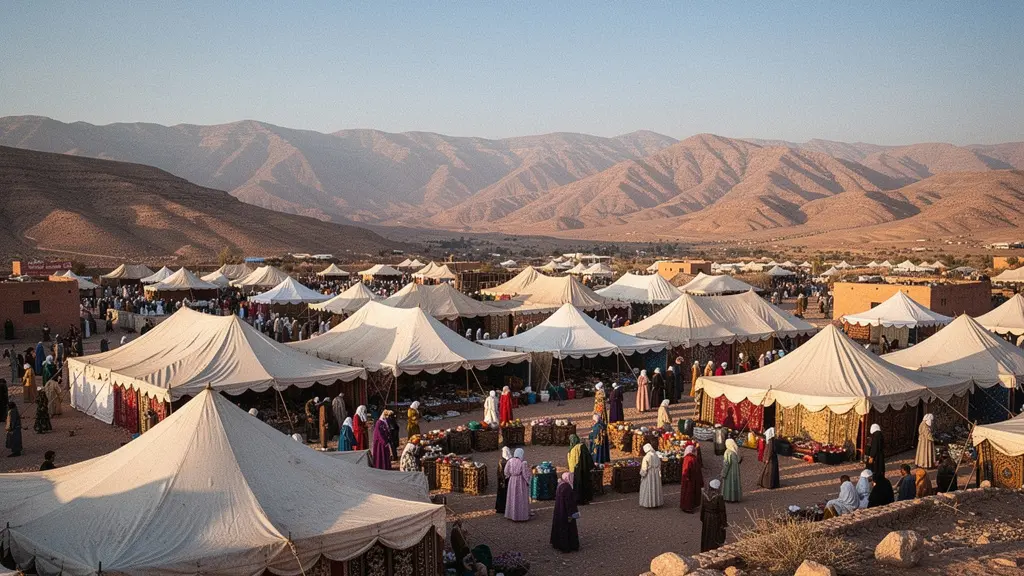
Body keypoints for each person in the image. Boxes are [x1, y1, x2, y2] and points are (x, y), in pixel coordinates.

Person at [550, 472, 580, 552]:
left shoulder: (561, 485)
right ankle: (568, 546)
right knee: (568, 529)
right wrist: (573, 514)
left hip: (559, 511)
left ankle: (558, 544)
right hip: (567, 513)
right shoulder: (567, 488)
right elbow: (570, 503)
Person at [504, 448, 531, 521]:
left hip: (512, 480)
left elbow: (506, 471)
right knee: (520, 497)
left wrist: (509, 476)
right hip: (520, 481)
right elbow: (525, 474)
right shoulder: (523, 462)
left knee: (512, 497)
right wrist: (528, 481)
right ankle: (521, 515)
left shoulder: (510, 461)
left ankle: (511, 514)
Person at [700, 479, 728, 552]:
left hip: (706, 517)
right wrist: (724, 523)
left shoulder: (704, 494)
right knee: (715, 535)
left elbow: (702, 508)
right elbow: (722, 511)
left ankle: (705, 549)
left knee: (706, 535)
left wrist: (702, 518)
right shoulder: (719, 497)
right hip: (716, 518)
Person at [567, 434, 593, 505]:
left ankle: (578, 499)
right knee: (584, 483)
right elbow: (587, 458)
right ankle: (585, 498)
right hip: (583, 469)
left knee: (577, 485)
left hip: (575, 470)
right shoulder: (581, 446)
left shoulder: (571, 449)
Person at [639, 443, 663, 508]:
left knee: (648, 487)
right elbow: (659, 466)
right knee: (655, 487)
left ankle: (648, 503)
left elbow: (644, 469)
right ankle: (656, 502)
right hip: (656, 475)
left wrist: (642, 474)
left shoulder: (646, 457)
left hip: (649, 475)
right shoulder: (656, 456)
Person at [680, 444, 703, 512]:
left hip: (689, 479)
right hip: (691, 479)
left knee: (687, 493)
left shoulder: (688, 458)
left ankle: (686, 506)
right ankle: (688, 507)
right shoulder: (691, 458)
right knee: (689, 493)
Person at [721, 438, 742, 502]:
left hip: (729, 473)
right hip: (735, 472)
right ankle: (735, 497)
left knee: (729, 485)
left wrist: (723, 473)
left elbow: (726, 464)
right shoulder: (735, 451)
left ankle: (728, 498)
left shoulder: (727, 452)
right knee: (735, 484)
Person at [495, 446, 511, 514]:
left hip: (501, 481)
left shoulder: (501, 460)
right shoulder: (507, 461)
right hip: (505, 481)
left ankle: (500, 508)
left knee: (501, 495)